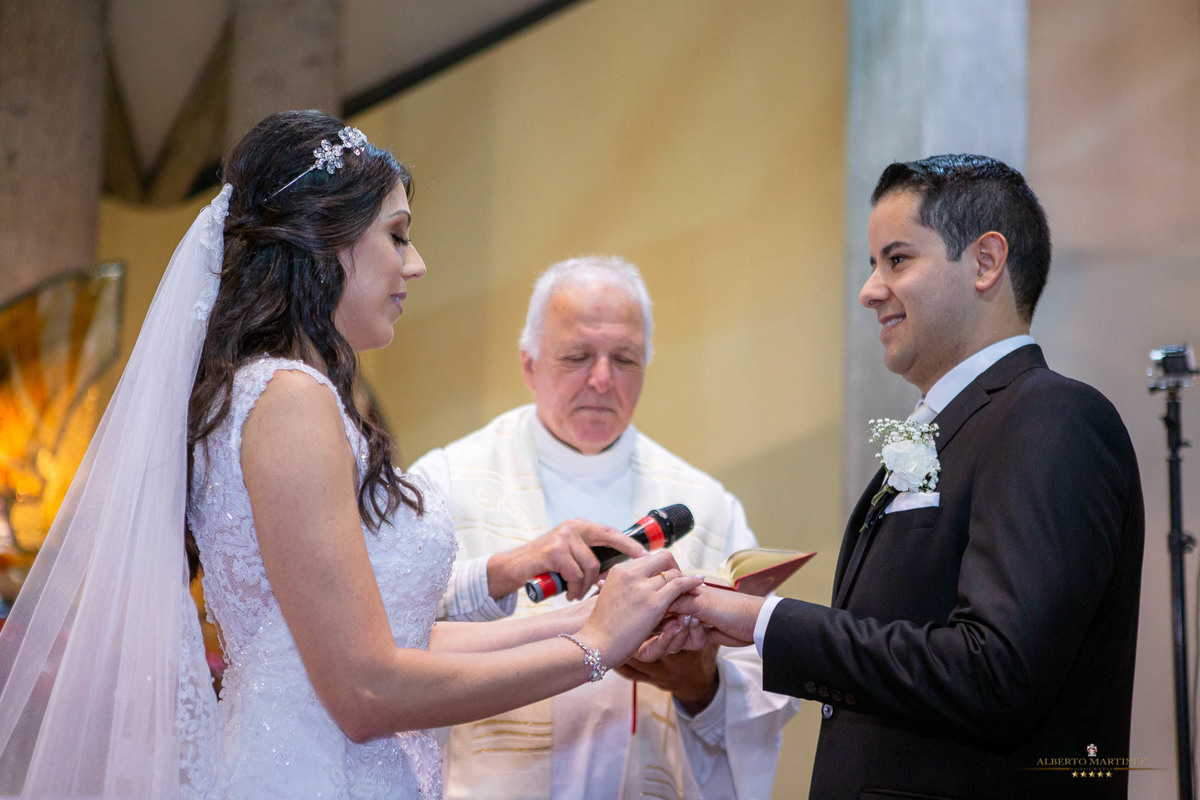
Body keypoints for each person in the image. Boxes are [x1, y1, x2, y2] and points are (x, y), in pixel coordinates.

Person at [0, 110, 702, 800]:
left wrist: (594, 614)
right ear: (327, 240)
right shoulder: (289, 400)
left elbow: (396, 645)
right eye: (397, 236)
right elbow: (367, 691)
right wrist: (595, 650)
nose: (416, 265)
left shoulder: (273, 392)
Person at [669, 154, 1144, 799]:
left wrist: (766, 622)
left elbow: (994, 671)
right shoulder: (954, 424)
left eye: (897, 260)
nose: (869, 289)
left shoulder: (1051, 417)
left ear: (985, 262)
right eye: (872, 265)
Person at [409, 256, 798, 800]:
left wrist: (696, 682)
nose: (601, 379)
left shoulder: (705, 504)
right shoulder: (443, 482)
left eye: (624, 359)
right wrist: (506, 570)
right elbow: (385, 638)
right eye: (576, 356)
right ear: (529, 365)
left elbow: (765, 687)